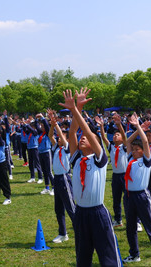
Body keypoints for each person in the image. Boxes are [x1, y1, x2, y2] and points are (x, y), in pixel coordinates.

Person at [61, 88, 122, 267]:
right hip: (80, 213)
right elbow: (72, 133)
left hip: (98, 213)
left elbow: (86, 131)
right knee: (82, 257)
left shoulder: (99, 159)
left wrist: (74, 110)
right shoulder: (77, 159)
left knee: (108, 258)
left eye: (87, 139)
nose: (82, 139)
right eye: (82, 138)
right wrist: (77, 108)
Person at [122, 114, 151, 266]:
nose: (134, 151)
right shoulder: (131, 159)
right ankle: (134, 254)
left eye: (137, 149)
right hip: (129, 196)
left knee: (150, 228)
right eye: (133, 150)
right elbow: (128, 141)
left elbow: (145, 143)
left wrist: (138, 128)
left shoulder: (146, 161)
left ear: (143, 151)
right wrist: (138, 129)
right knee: (130, 228)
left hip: (142, 196)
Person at [48, 109, 76, 243]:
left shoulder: (67, 147)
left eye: (62, 137)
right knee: (58, 208)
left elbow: (59, 135)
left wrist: (56, 125)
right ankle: (63, 233)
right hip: (57, 179)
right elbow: (50, 136)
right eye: (59, 137)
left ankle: (80, 230)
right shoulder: (56, 148)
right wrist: (52, 125)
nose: (59, 138)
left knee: (70, 207)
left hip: (65, 178)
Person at [99, 112, 129, 227]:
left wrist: (119, 125)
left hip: (125, 175)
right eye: (115, 135)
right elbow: (103, 137)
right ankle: (118, 219)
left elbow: (125, 136)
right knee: (116, 199)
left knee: (128, 198)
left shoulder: (124, 147)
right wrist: (102, 126)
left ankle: (135, 220)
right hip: (116, 176)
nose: (116, 136)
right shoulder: (111, 147)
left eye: (118, 135)